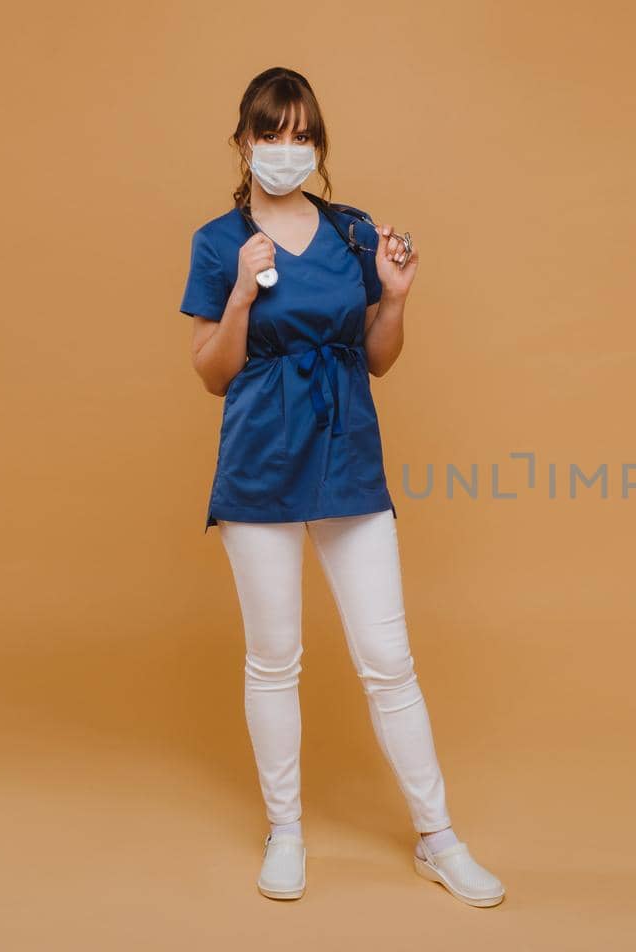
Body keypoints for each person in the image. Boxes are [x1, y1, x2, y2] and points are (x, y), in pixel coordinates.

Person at [177, 66, 504, 907]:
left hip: (347, 457)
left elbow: (378, 358)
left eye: (301, 135)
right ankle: (285, 830)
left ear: (317, 144)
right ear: (243, 141)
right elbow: (212, 373)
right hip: (259, 464)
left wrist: (394, 300)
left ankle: (438, 837)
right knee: (274, 660)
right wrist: (244, 293)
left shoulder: (355, 235)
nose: (286, 150)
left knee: (388, 659)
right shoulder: (218, 242)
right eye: (270, 133)